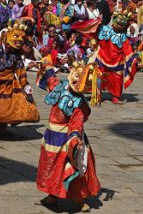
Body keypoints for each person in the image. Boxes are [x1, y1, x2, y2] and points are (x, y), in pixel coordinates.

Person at [36, 64, 100, 213]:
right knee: (51, 167)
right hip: (52, 136)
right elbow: (50, 79)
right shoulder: (60, 86)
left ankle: (78, 199)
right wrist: (44, 68)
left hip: (69, 139)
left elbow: (76, 123)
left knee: (73, 168)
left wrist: (75, 139)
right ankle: (53, 195)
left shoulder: (79, 104)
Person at [96, 11, 137, 104]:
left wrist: (133, 59)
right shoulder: (104, 29)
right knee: (99, 76)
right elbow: (94, 32)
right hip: (102, 57)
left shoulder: (123, 37)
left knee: (117, 79)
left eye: (121, 24)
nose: (119, 26)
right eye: (118, 23)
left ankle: (115, 97)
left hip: (117, 61)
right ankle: (97, 94)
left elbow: (128, 50)